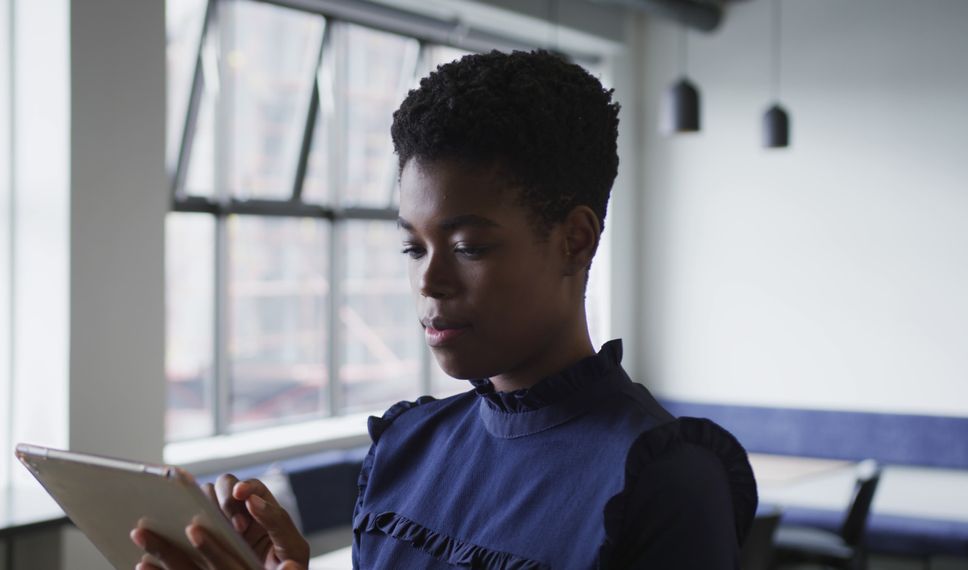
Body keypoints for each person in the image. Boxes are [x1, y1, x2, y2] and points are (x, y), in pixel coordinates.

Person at [131, 49, 757, 570]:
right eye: (412, 246)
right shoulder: (407, 449)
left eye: (468, 247)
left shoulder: (663, 479)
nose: (429, 281)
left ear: (575, 240)